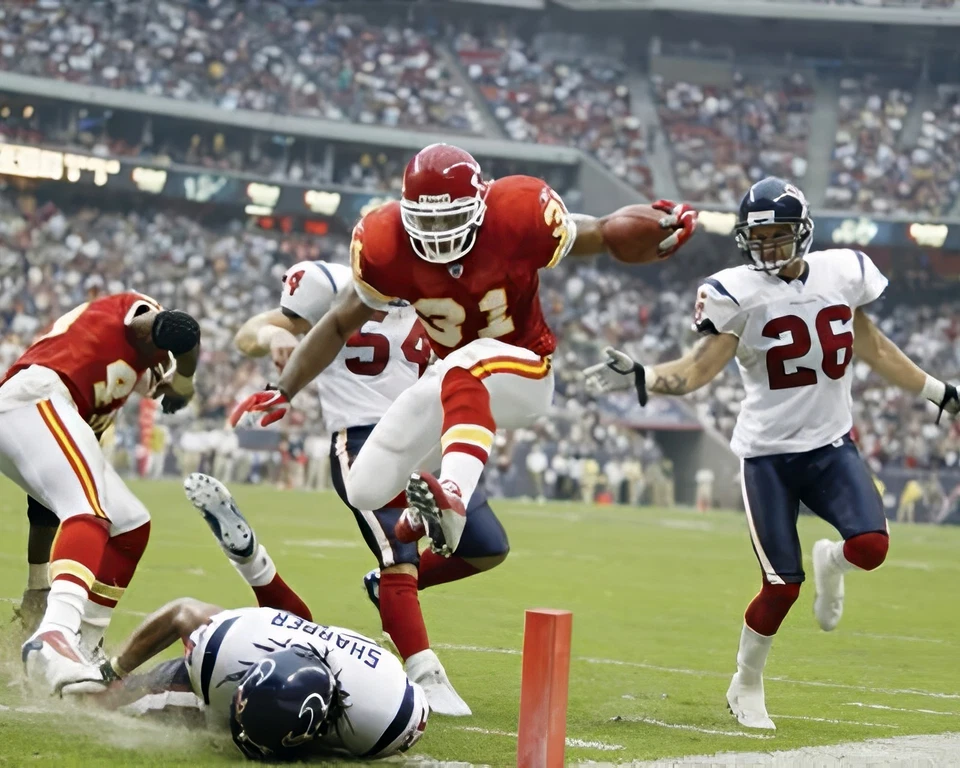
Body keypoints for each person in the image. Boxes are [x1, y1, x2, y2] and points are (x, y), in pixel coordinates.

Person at [583, 177, 959, 730]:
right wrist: (646, 377)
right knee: (782, 584)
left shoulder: (842, 273)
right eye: (758, 237)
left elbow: (874, 347)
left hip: (831, 446)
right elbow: (697, 370)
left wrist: (939, 392)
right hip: (768, 457)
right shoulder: (739, 292)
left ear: (802, 232)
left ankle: (833, 561)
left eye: (779, 235)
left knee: (873, 545)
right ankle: (747, 681)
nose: (768, 248)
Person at [231, 142, 697, 561]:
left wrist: (654, 228)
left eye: (448, 217)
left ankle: (452, 495)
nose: (436, 231)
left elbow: (598, 233)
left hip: (525, 372)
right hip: (456, 381)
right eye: (425, 218)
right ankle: (420, 519)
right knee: (366, 488)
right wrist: (285, 387)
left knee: (463, 363)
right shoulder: (384, 241)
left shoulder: (517, 211)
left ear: (480, 204)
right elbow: (336, 322)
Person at [233, 258, 510, 715]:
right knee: (396, 557)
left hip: (425, 439)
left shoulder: (440, 289)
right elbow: (251, 333)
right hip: (363, 439)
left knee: (486, 545)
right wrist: (275, 335)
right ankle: (424, 673)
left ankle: (387, 592)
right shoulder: (333, 284)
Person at [58, 474, 428, 761]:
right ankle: (250, 562)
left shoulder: (386, 718)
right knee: (112, 702)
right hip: (267, 646)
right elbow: (182, 612)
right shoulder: (230, 653)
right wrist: (113, 672)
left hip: (337, 664)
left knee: (298, 623)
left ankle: (253, 563)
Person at [0, 292, 201, 692]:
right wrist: (183, 380)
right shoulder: (134, 319)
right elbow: (177, 328)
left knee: (130, 526)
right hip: (34, 395)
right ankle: (55, 635)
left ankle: (83, 646)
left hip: (33, 408)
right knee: (90, 511)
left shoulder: (99, 400)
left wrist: (37, 582)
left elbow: (45, 508)